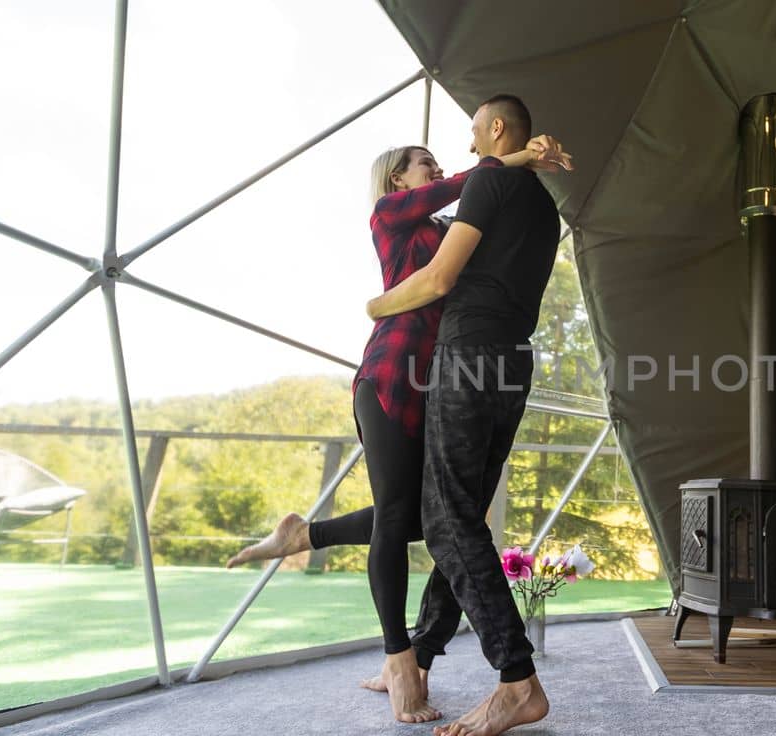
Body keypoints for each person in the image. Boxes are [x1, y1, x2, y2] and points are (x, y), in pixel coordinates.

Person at [225, 135, 569, 725]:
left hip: (435, 382)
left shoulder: (445, 230)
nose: (435, 169)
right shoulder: (389, 214)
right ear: (397, 182)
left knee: (421, 518)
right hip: (388, 376)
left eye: (435, 163)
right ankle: (399, 662)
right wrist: (517, 158)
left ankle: (303, 535)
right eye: (423, 164)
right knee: (393, 516)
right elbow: (468, 183)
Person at [367, 93, 560, 736]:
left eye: (475, 126)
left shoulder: (487, 182)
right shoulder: (544, 204)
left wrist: (376, 306)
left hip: (470, 353)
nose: (468, 137)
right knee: (461, 515)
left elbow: (439, 279)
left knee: (445, 519)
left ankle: (516, 680)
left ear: (496, 128)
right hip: (514, 362)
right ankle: (421, 653)